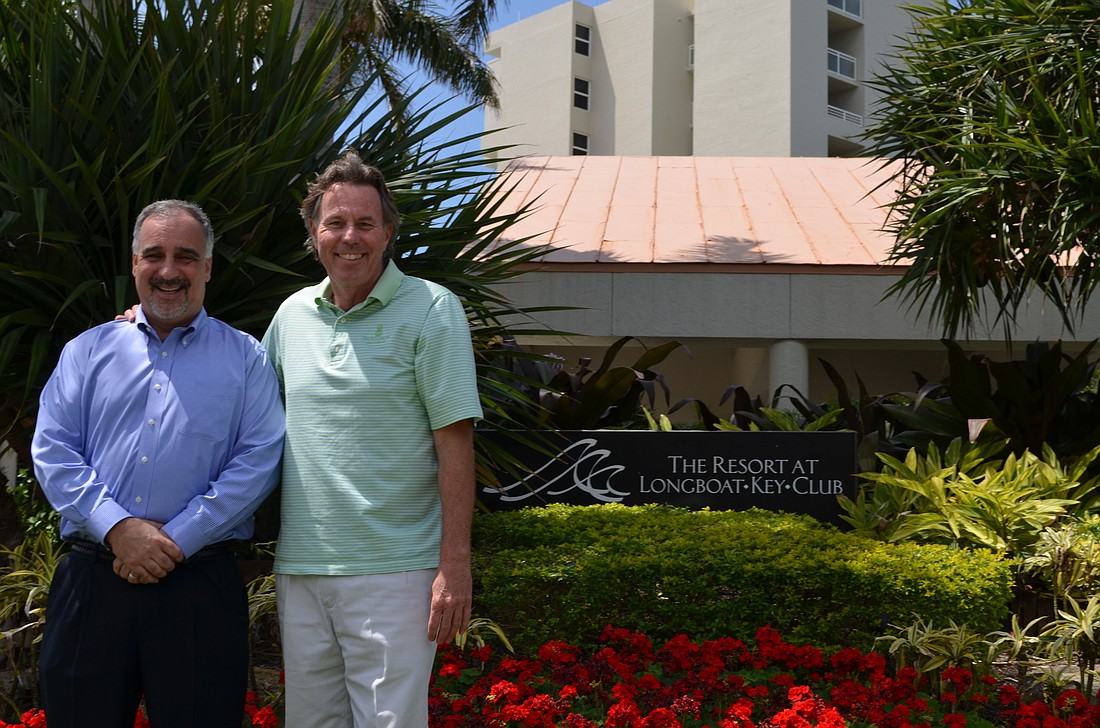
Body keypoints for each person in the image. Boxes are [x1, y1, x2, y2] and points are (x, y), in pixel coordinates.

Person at [31, 200, 286, 728]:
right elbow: (54, 451)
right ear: (134, 263)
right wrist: (118, 529)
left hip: (199, 587)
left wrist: (175, 541)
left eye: (186, 257)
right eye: (155, 255)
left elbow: (259, 458)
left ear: (209, 267)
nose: (169, 271)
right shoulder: (86, 351)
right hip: (92, 581)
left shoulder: (246, 358)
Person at [261, 150, 483, 727]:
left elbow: (455, 443)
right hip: (303, 568)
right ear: (314, 234)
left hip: (397, 573)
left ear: (388, 231)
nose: (349, 236)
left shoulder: (434, 310)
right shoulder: (291, 316)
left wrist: (453, 565)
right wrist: (144, 328)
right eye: (335, 223)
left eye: (365, 223)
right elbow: (243, 411)